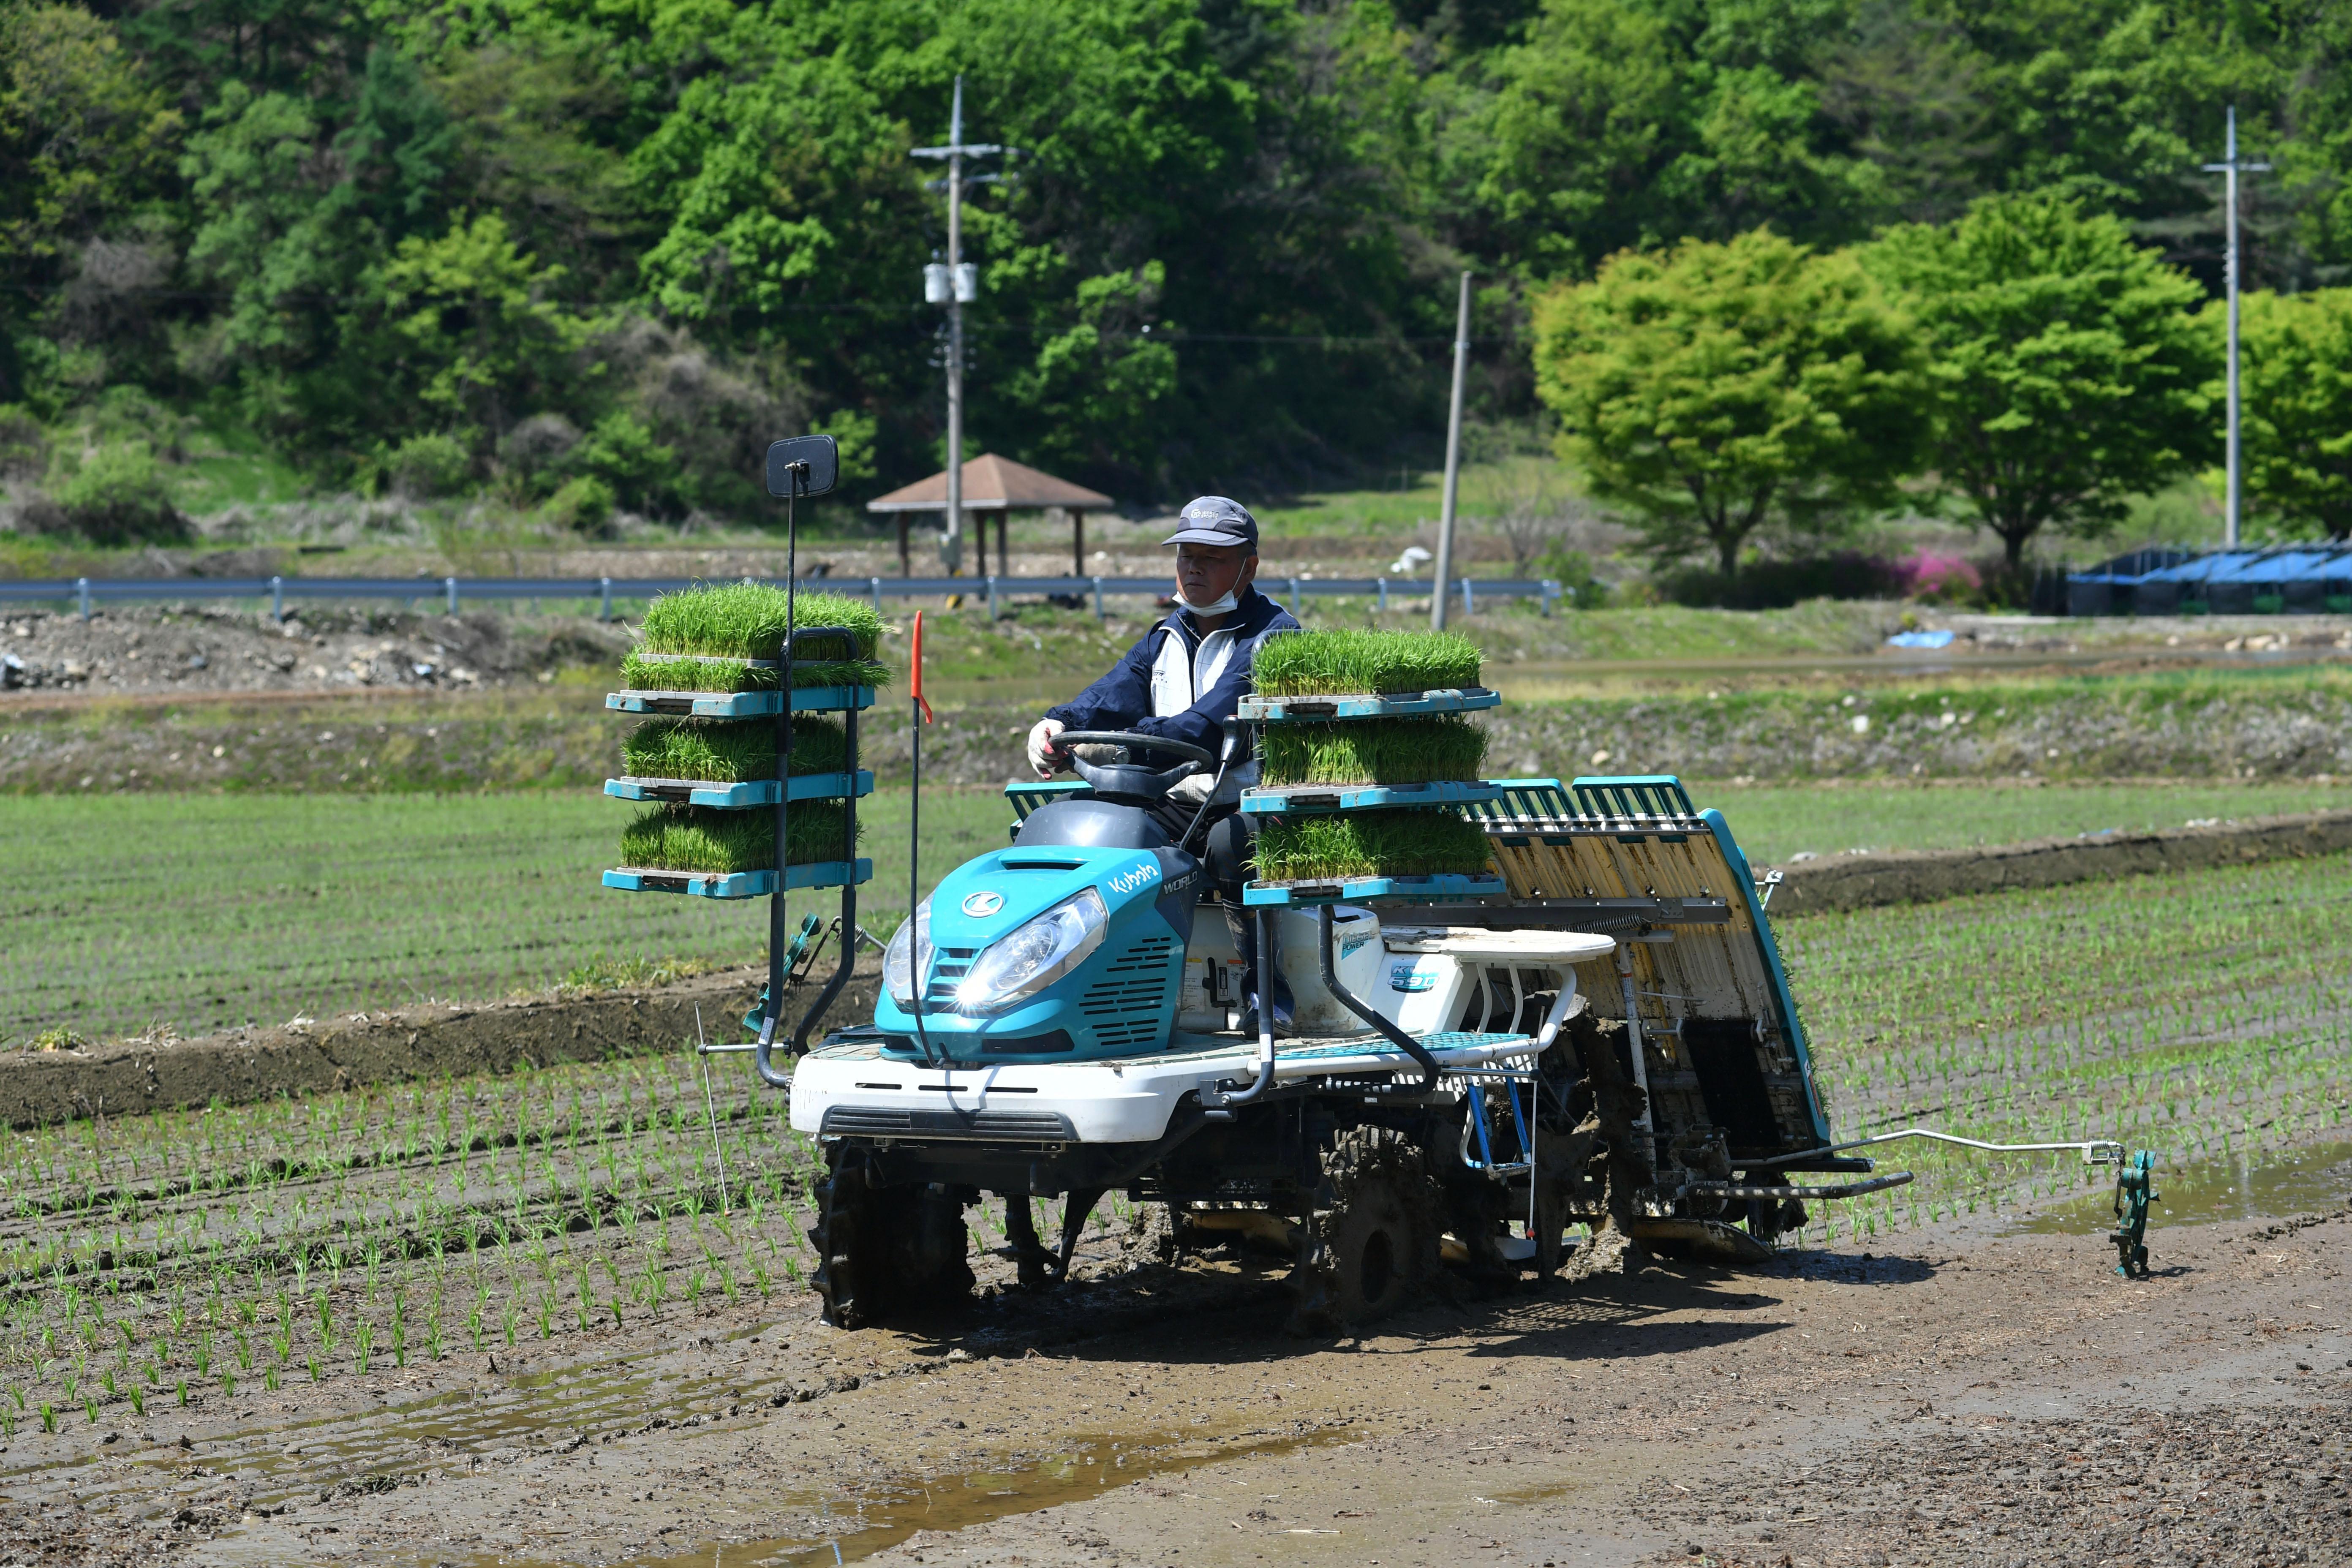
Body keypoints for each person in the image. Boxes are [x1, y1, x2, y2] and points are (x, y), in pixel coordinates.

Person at [1024, 495, 1298, 1032]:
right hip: (1178, 803)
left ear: (1250, 566)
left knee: (1231, 842)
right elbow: (1108, 695)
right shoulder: (1163, 636)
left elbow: (1206, 722)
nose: (1193, 567)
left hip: (1250, 805)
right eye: (1185, 555)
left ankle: (1268, 995)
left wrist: (1127, 742)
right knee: (1074, 826)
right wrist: (1058, 725)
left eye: (1212, 557)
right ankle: (1079, 994)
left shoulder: (1274, 638)